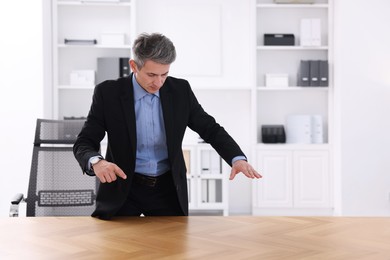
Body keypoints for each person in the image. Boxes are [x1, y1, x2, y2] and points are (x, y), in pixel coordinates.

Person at [73, 32, 261, 220]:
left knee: (171, 248)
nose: (159, 82)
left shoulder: (180, 91)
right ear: (134, 66)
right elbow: (84, 142)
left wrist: (236, 158)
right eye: (152, 74)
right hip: (123, 187)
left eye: (164, 74)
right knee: (117, 247)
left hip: (167, 188)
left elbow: (210, 129)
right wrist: (97, 162)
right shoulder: (108, 93)